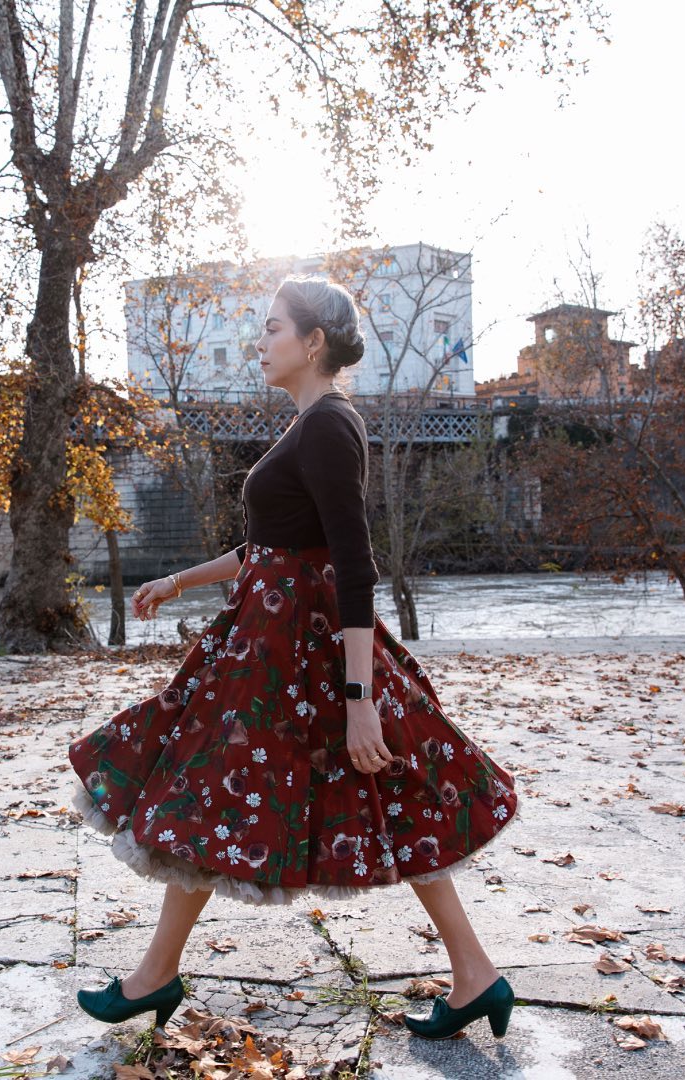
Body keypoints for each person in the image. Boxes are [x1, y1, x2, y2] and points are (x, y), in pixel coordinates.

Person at [67, 276, 519, 1042]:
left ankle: (155, 976)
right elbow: (274, 546)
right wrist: (181, 580)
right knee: (244, 788)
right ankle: (475, 976)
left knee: (225, 782)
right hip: (271, 641)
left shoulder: (329, 426)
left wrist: (358, 698)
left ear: (312, 342)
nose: (261, 341)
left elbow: (353, 562)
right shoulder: (309, 425)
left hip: (298, 654)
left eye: (273, 328)